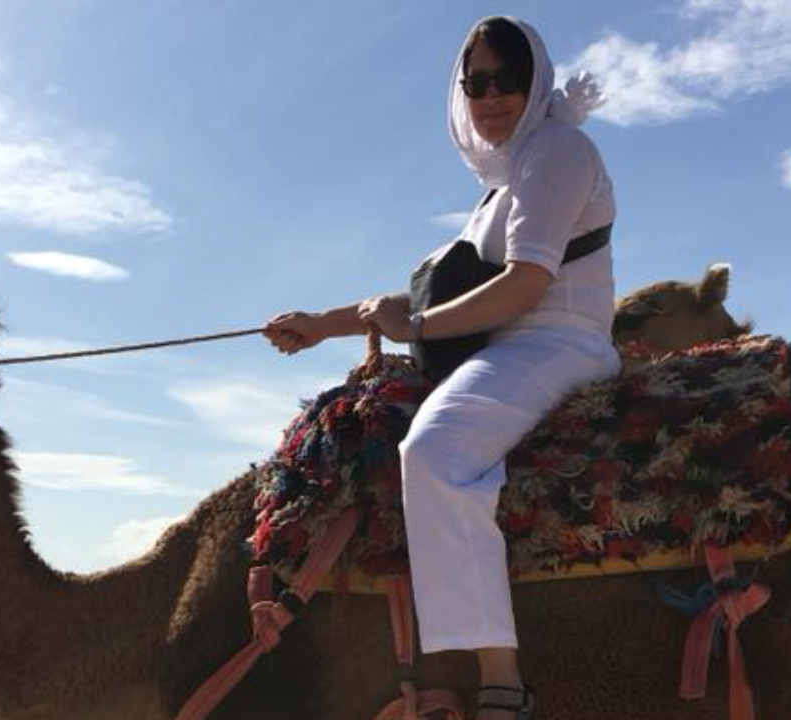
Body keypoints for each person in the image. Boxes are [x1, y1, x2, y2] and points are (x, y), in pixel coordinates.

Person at [263, 16, 618, 720]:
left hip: (558, 343)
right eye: (475, 83)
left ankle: (501, 682)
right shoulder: (503, 184)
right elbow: (419, 301)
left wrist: (419, 329)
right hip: (506, 347)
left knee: (433, 450)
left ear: (535, 83)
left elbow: (524, 285)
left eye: (506, 80)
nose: (490, 97)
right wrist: (321, 323)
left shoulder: (558, 151)